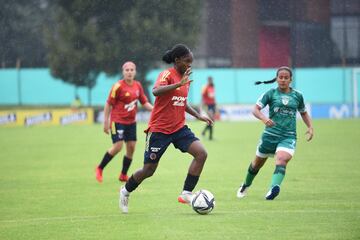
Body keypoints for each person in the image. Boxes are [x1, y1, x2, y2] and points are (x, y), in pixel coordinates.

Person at [118, 44, 213, 213]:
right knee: (148, 170)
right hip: (159, 130)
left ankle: (186, 193)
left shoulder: (186, 78)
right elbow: (156, 91)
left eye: (191, 62)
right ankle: (125, 191)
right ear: (177, 60)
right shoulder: (167, 75)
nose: (190, 65)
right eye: (187, 61)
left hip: (179, 128)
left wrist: (198, 115)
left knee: (201, 154)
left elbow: (181, 102)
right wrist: (178, 84)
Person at [236, 66, 314, 200]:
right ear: (276, 79)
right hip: (270, 136)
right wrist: (264, 119)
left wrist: (310, 127)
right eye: (280, 77)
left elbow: (303, 112)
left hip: (288, 136)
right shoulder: (270, 93)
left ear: (291, 80)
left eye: (286, 78)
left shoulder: (297, 95)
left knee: (281, 159)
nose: (283, 80)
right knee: (256, 164)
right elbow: (255, 109)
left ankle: (274, 188)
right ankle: (246, 185)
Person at [95, 61, 153, 183]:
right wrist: (106, 122)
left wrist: (155, 109)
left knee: (131, 148)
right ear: (123, 72)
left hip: (131, 122)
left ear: (135, 72)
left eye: (132, 70)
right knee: (118, 146)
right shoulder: (118, 86)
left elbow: (144, 102)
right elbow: (108, 104)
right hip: (117, 121)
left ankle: (123, 174)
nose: (129, 72)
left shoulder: (138, 86)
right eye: (127, 70)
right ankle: (100, 168)